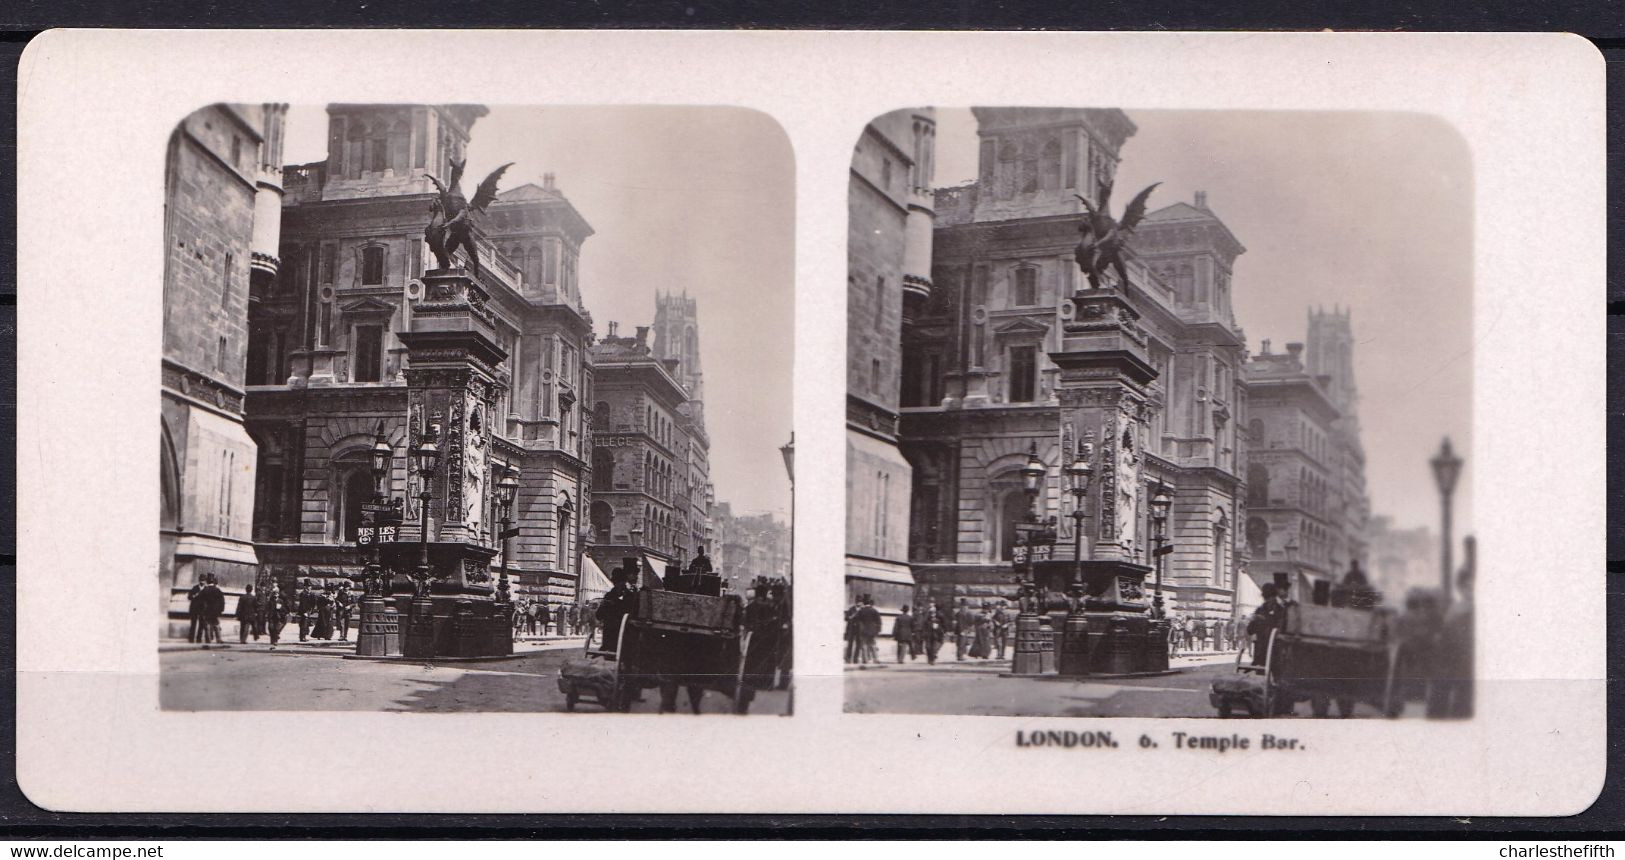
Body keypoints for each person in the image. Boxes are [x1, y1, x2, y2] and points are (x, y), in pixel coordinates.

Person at [1247, 584, 1288, 667]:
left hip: (1263, 656)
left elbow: (1250, 630)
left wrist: (1258, 620)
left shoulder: (1260, 610)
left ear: (1263, 596)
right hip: (1275, 655)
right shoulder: (1282, 609)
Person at [915, 600, 945, 665]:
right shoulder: (927, 618)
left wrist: (941, 630)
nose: (933, 613)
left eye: (934, 612)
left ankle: (933, 659)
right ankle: (929, 659)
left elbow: (943, 624)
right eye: (931, 612)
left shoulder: (939, 617)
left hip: (935, 634)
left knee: (934, 646)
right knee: (928, 647)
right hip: (928, 634)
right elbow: (924, 623)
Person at [198, 575, 225, 645]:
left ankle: (208, 639)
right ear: (213, 581)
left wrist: (201, 610)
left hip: (207, 610)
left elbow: (200, 600)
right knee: (216, 625)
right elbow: (222, 601)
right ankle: (219, 639)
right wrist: (221, 610)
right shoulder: (217, 590)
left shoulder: (204, 590)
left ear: (207, 581)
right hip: (216, 611)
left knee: (207, 625)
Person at [855, 595, 882, 665]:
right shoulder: (874, 611)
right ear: (870, 603)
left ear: (863, 603)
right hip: (872, 631)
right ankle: (876, 659)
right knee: (873, 645)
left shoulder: (861, 611)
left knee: (864, 645)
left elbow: (857, 621)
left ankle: (865, 659)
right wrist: (878, 630)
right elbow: (879, 622)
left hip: (863, 630)